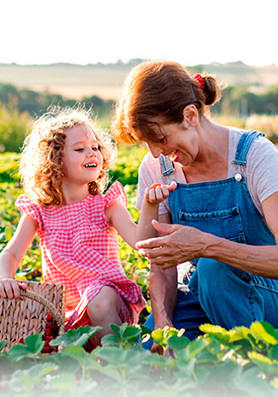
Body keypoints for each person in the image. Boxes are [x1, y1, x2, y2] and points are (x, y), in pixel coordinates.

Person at [111, 59, 278, 352]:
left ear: (190, 115)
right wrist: (163, 323)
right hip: (194, 294)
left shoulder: (255, 156)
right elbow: (162, 262)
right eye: (147, 144)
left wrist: (206, 246)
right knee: (153, 359)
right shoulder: (157, 167)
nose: (156, 153)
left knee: (213, 272)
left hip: (267, 294)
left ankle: (257, 362)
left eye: (160, 138)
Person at [0, 106, 174, 346]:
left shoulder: (106, 205)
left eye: (95, 147)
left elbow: (139, 241)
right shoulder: (39, 211)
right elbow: (10, 253)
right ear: (55, 160)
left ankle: (120, 363)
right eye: (80, 149)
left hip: (107, 301)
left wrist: (149, 205)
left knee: (98, 299)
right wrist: (4, 277)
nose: (91, 153)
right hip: (65, 311)